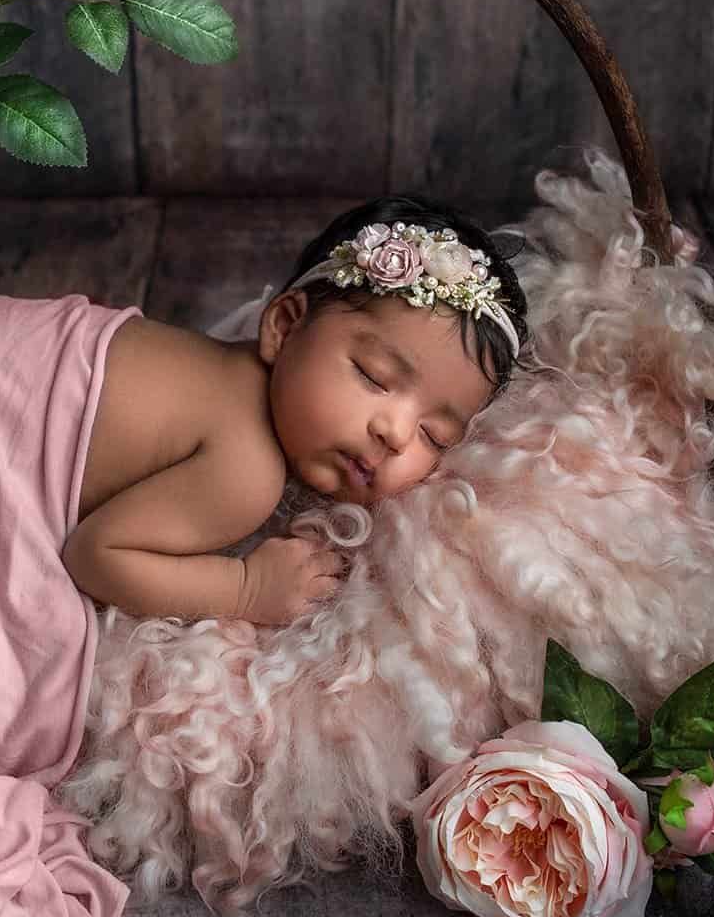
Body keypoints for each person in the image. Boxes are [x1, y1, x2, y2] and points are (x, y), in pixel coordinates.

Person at [63, 194, 530, 625]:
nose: (397, 433)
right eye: (373, 376)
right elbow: (94, 555)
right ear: (284, 326)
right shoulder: (246, 471)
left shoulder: (216, 366)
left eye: (435, 436)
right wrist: (244, 590)